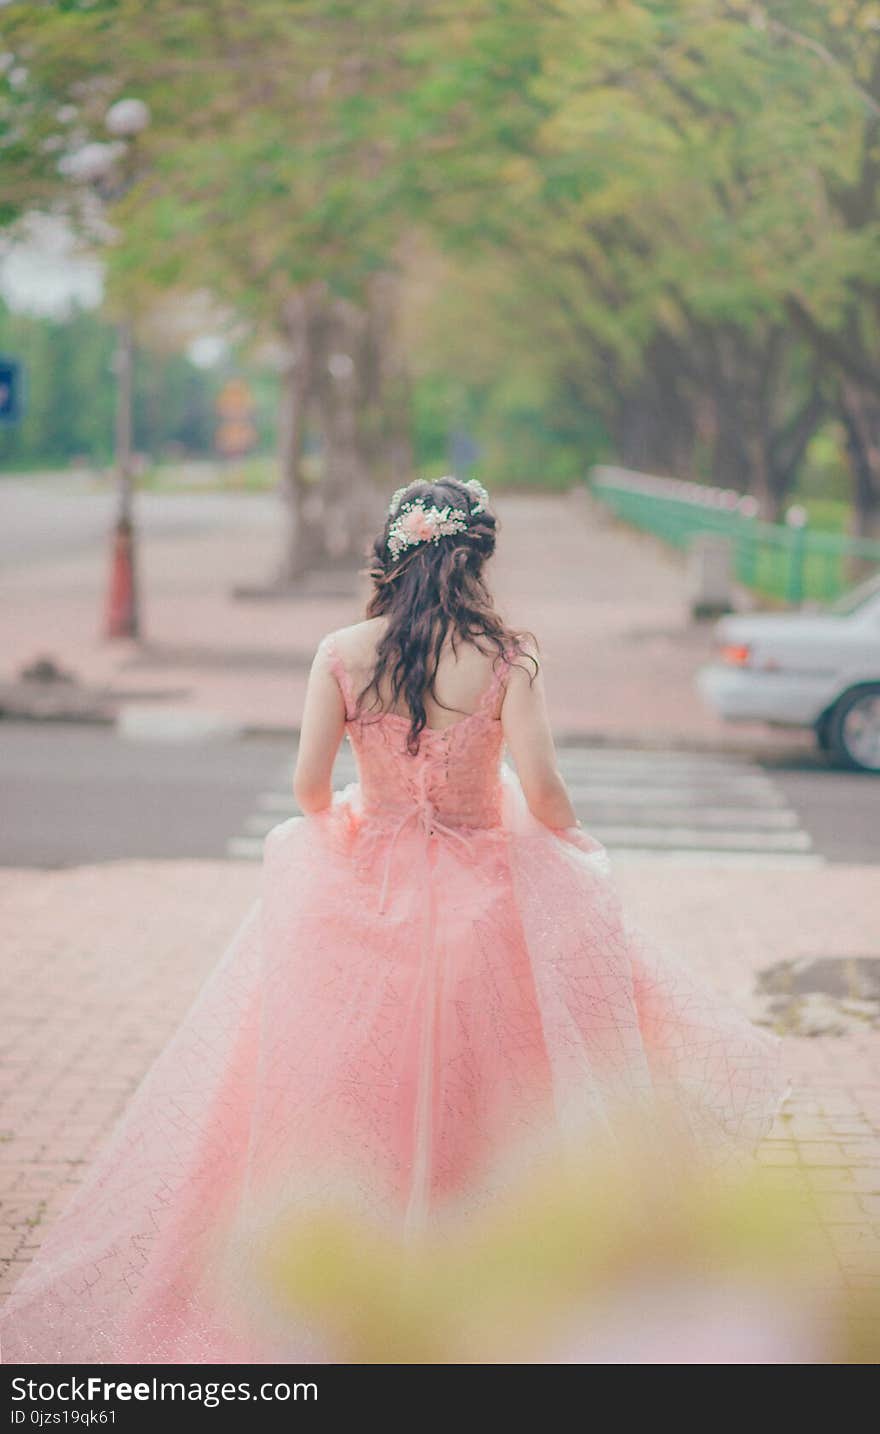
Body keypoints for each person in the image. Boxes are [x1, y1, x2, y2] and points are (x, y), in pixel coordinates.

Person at [0, 476, 783, 1364]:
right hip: (485, 908)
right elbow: (550, 793)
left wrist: (360, 815)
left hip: (364, 904)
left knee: (343, 1102)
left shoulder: (340, 651)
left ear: (391, 555)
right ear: (475, 558)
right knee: (492, 1096)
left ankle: (349, 1280)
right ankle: (478, 1276)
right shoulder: (506, 657)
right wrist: (558, 835)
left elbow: (304, 788)